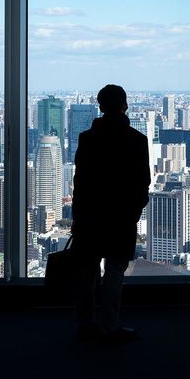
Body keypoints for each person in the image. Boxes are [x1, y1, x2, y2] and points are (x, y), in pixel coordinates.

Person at [71, 84, 151, 343]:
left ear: (101, 107)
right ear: (124, 105)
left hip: (90, 216)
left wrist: (77, 217)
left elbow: (80, 182)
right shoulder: (137, 140)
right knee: (115, 271)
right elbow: (143, 182)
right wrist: (135, 211)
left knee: (87, 271)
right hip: (121, 217)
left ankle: (85, 324)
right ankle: (110, 325)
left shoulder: (87, 138)